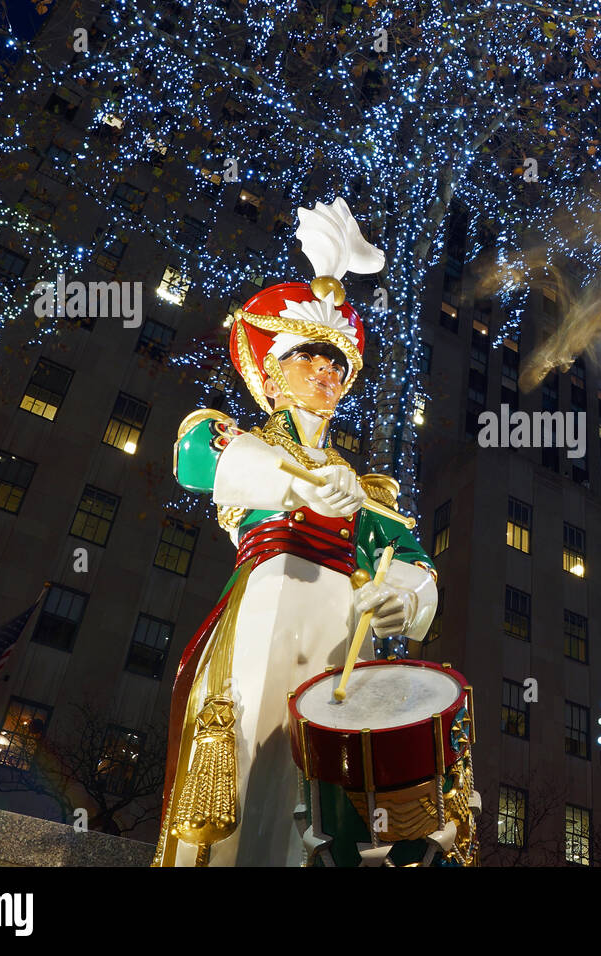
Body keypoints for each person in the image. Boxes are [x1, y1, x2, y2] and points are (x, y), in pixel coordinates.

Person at [153, 199, 438, 866]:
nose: (326, 373)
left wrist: (404, 595)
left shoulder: (370, 493)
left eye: (337, 364)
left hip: (342, 637)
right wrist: (303, 484)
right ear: (271, 371)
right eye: (308, 357)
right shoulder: (242, 439)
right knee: (246, 760)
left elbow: (413, 561)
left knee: (325, 793)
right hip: (265, 609)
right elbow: (197, 457)